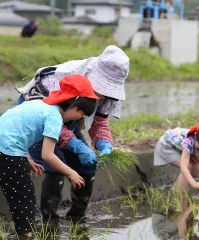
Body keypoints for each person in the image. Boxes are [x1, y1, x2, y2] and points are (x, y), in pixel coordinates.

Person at [16, 45, 129, 221]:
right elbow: (50, 122)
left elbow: (99, 120)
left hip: (69, 118)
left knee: (87, 165)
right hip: (39, 116)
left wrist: (103, 142)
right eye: (101, 90)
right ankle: (49, 221)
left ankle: (77, 217)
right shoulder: (61, 81)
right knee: (56, 165)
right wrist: (74, 144)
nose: (103, 96)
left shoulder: (104, 97)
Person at [0, 75, 99, 237]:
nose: (81, 118)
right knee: (24, 197)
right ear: (74, 106)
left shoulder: (43, 104)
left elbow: (20, 130)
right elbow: (47, 155)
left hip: (1, 146)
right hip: (5, 150)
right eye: (82, 113)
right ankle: (25, 236)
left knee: (21, 194)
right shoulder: (54, 118)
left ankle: (20, 229)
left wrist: (27, 158)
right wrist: (70, 172)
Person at [154, 117, 199, 192]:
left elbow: (191, 147)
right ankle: (177, 193)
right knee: (188, 166)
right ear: (196, 137)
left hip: (177, 147)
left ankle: (179, 186)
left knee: (196, 170)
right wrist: (194, 183)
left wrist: (193, 155)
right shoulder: (188, 141)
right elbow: (184, 167)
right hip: (165, 147)